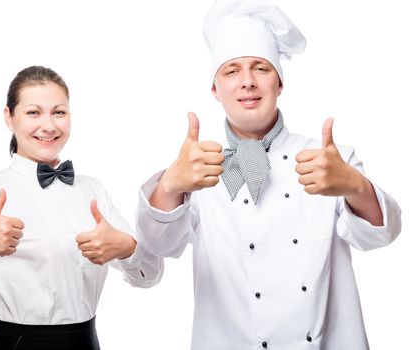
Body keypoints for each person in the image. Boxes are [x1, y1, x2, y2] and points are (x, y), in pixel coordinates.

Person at [135, 0, 401, 349]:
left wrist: (354, 184)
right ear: (215, 90)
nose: (247, 82)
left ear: (280, 83)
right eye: (231, 71)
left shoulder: (326, 160)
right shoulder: (198, 168)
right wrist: (170, 184)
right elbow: (158, 247)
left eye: (260, 68)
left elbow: (382, 235)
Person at [0, 65, 163, 350]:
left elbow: (150, 277)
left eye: (59, 112)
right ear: (9, 117)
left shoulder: (93, 191)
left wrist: (126, 247)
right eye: (33, 112)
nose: (49, 125)